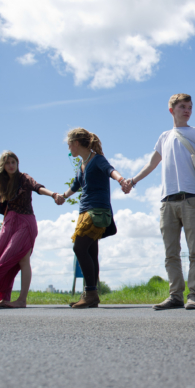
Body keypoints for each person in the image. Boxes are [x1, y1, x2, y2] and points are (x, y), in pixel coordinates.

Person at [123, 94, 195, 310]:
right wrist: (133, 181)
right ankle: (175, 295)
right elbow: (151, 165)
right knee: (171, 253)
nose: (187, 110)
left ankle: (194, 296)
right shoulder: (164, 137)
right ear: (171, 110)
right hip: (167, 201)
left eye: (189, 107)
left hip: (191, 199)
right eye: (182, 107)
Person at [0, 151, 64, 308]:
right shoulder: (3, 182)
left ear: (17, 164)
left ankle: (22, 300)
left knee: (22, 259)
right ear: (3, 166)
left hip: (25, 222)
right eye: (8, 163)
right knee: (1, 257)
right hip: (9, 222)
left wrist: (53, 194)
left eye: (13, 162)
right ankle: (5, 299)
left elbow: (37, 187)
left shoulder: (24, 178)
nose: (11, 165)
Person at [58, 128, 130, 309]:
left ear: (75, 143)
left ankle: (90, 292)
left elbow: (110, 170)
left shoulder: (97, 159)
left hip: (96, 211)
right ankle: (92, 294)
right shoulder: (82, 164)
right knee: (91, 252)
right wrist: (62, 196)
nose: (68, 148)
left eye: (69, 144)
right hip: (84, 212)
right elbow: (75, 186)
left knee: (79, 247)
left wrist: (122, 181)